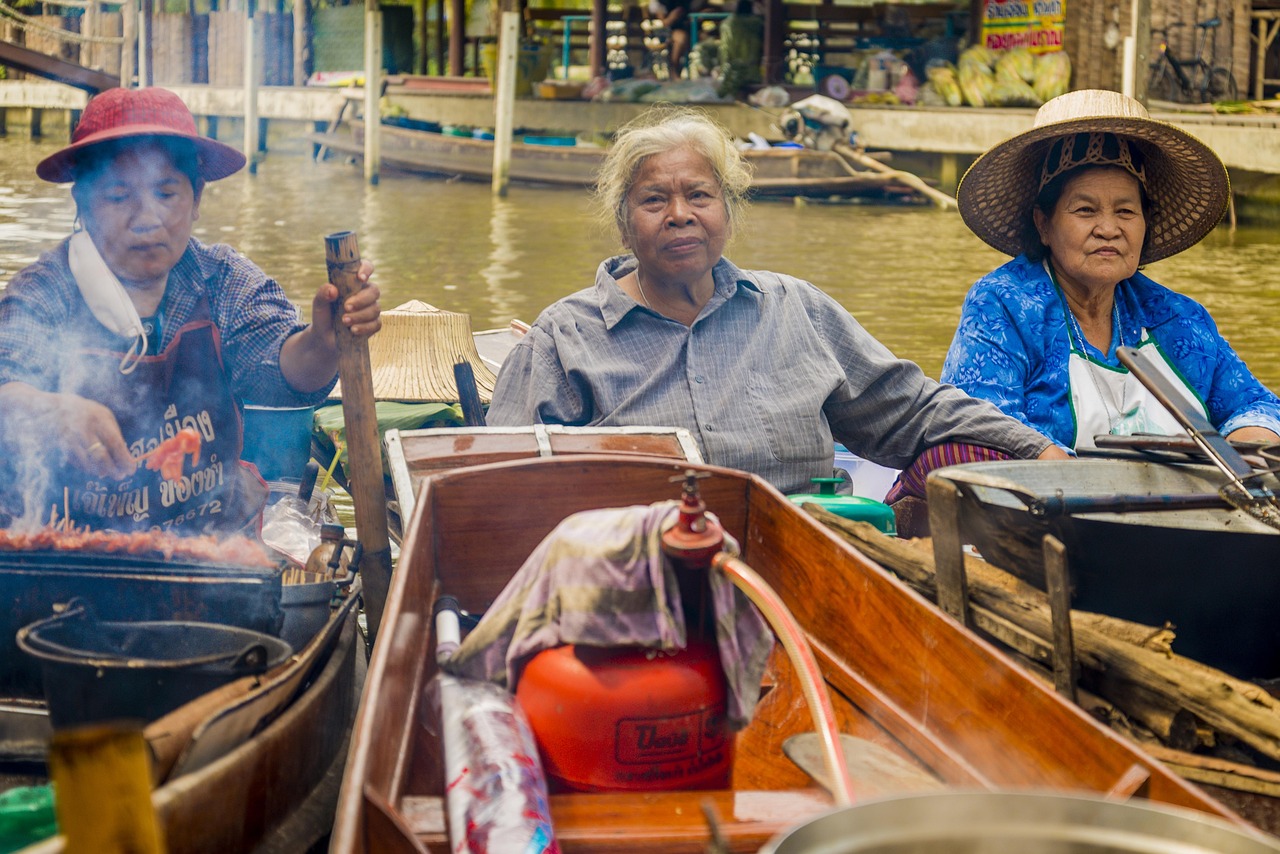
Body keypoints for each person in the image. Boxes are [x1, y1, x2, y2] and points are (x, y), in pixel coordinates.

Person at [487, 108, 1067, 523]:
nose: (680, 214)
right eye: (654, 200)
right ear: (623, 223)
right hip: (644, 581)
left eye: (700, 195)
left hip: (810, 553)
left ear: (728, 212)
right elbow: (499, 491)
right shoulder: (564, 339)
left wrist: (1037, 450)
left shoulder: (793, 308)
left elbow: (910, 408)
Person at [0, 87, 382, 534]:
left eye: (166, 193)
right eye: (119, 197)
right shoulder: (46, 290)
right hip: (68, 550)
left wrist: (325, 340)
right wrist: (47, 411)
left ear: (197, 198)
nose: (147, 218)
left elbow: (287, 372)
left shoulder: (222, 280)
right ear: (83, 204)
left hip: (212, 555)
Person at [942, 89, 1280, 453]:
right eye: (1085, 210)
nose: (1108, 228)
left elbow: (1255, 406)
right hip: (1045, 503)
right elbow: (978, 421)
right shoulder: (1003, 305)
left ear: (1145, 223)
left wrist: (1247, 448)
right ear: (1043, 223)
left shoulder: (1176, 317)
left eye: (1125, 212)